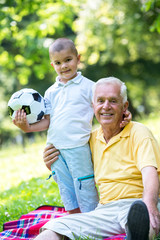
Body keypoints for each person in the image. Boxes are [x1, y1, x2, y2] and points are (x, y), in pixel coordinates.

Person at [13, 38, 130, 214]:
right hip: (55, 148)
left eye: (68, 60)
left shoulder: (90, 87)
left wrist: (122, 114)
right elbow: (48, 121)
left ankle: (91, 217)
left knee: (85, 184)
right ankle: (74, 219)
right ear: (52, 65)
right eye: (58, 63)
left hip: (78, 147)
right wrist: (28, 127)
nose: (64, 66)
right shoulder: (50, 92)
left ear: (78, 59)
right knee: (65, 187)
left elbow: (103, 110)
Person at [35, 77, 160, 240]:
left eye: (113, 101)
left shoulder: (139, 132)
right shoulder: (88, 139)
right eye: (100, 101)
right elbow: (76, 169)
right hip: (104, 211)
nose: (106, 106)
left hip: (138, 203)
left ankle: (137, 233)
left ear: (125, 106)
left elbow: (150, 172)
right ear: (92, 105)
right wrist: (53, 163)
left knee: (143, 222)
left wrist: (149, 205)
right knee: (55, 228)